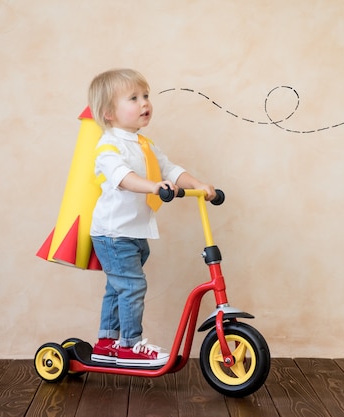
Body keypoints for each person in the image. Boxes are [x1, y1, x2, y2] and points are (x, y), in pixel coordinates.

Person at [87, 68, 216, 367]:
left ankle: (107, 343)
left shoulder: (144, 144)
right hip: (113, 233)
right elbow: (123, 178)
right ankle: (129, 345)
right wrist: (154, 187)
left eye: (145, 96)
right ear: (109, 113)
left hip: (133, 232)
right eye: (133, 98)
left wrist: (198, 185)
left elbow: (170, 169)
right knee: (131, 287)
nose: (144, 103)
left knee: (118, 287)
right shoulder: (109, 146)